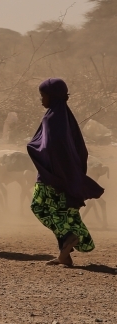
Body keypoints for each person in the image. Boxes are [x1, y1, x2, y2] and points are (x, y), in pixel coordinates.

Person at [27, 78, 104, 266]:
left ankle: (69, 237)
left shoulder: (51, 118)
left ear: (51, 97)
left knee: (39, 207)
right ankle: (65, 254)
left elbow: (51, 147)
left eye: (43, 96)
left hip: (51, 177)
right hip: (66, 177)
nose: (41, 100)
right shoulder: (66, 117)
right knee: (60, 212)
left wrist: (32, 147)